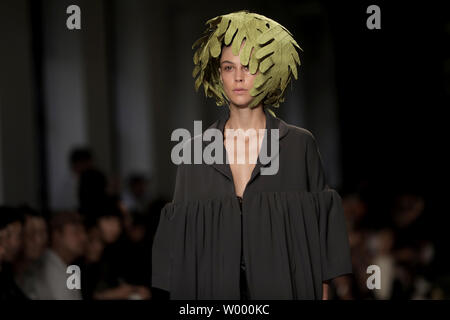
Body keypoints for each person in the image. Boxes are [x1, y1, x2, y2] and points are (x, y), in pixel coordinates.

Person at [152, 10, 352, 300]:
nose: (239, 77)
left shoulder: (298, 144)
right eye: (228, 68)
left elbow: (320, 231)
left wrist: (322, 292)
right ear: (218, 75)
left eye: (250, 66)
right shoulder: (194, 151)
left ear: (268, 70)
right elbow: (182, 245)